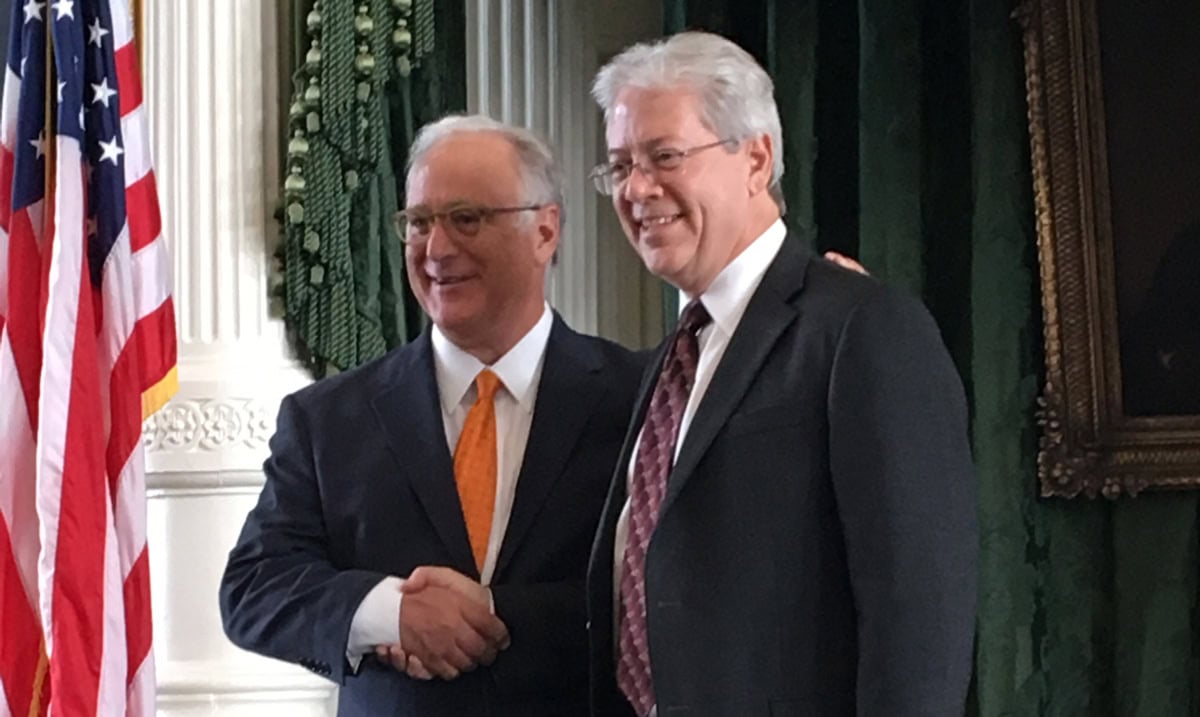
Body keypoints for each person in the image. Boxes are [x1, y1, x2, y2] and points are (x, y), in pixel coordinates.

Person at [585, 32, 978, 716]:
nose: (636, 189)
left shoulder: (863, 328)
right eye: (619, 166)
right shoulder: (672, 358)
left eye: (664, 156)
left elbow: (918, 615)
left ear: (756, 158)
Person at [220, 115, 644, 716]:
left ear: (544, 231)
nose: (437, 249)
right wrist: (388, 612)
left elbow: (658, 595)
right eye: (419, 222)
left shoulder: (638, 401)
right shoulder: (329, 418)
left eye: (467, 218)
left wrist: (494, 616)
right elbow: (253, 589)